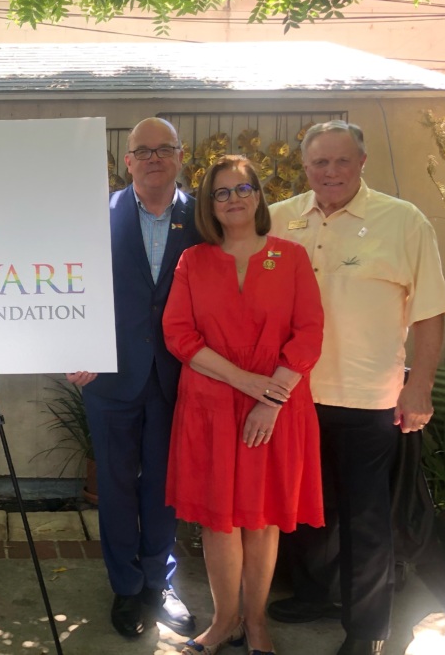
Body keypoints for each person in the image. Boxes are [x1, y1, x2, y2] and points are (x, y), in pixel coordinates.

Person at [267, 121, 445, 655]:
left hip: (369, 397)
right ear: (304, 167)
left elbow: (430, 313)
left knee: (367, 520)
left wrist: (420, 389)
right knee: (307, 511)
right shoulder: (280, 220)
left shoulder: (402, 221)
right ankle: (315, 594)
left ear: (362, 162)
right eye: (319, 163)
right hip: (295, 396)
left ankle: (368, 629)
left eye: (341, 161)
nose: (330, 172)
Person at [162, 156, 325, 654]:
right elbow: (179, 334)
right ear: (209, 205)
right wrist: (246, 381)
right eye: (221, 192)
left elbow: (310, 333)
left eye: (243, 189)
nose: (233, 199)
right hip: (209, 407)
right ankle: (224, 621)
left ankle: (256, 624)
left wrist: (269, 399)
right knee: (218, 523)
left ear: (258, 195)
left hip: (274, 412)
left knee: (260, 521)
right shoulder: (194, 261)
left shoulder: (290, 256)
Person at [67, 117, 201, 639]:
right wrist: (73, 346)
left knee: (165, 488)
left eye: (163, 149)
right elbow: (69, 284)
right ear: (127, 161)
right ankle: (125, 588)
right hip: (109, 376)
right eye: (141, 151)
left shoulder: (203, 218)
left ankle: (157, 584)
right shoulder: (95, 215)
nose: (152, 158)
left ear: (179, 156)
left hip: (179, 375)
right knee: (118, 487)